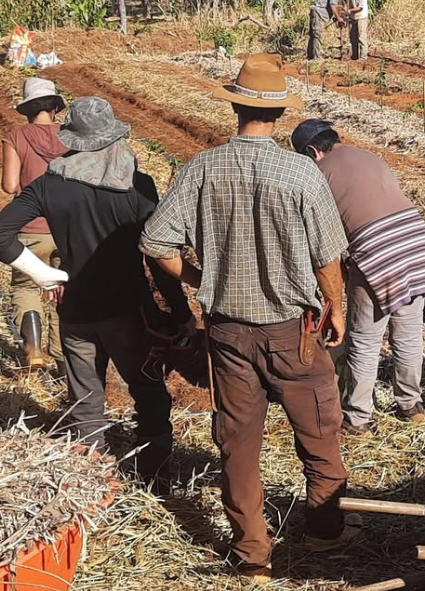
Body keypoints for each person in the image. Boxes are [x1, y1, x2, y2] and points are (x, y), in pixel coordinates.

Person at [139, 54, 359, 582]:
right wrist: (337, 308)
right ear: (281, 113)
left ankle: (251, 555)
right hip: (295, 333)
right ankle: (324, 531)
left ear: (236, 106)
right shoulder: (303, 172)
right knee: (319, 433)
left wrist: (199, 279)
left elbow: (155, 241)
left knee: (238, 444)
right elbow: (329, 256)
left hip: (228, 333)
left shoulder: (201, 168)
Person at [0, 97, 193, 484]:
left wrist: (46, 274)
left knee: (84, 398)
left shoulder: (50, 185)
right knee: (148, 390)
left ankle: (89, 480)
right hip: (129, 311)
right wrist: (180, 312)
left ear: (73, 141)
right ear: (112, 137)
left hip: (75, 309)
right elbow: (158, 255)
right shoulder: (137, 186)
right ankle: (154, 475)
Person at [292, 119, 425, 436]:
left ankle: (358, 420)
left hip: (377, 250)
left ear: (314, 151)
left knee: (365, 342)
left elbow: (327, 239)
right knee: (408, 334)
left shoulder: (319, 172)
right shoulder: (368, 155)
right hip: (415, 241)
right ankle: (411, 406)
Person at [2, 78, 69, 372]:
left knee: (27, 286)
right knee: (63, 288)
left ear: (27, 109)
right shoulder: (72, 137)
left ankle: (34, 353)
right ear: (55, 108)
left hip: (31, 227)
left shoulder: (16, 136)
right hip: (68, 227)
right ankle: (63, 356)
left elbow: (9, 185)